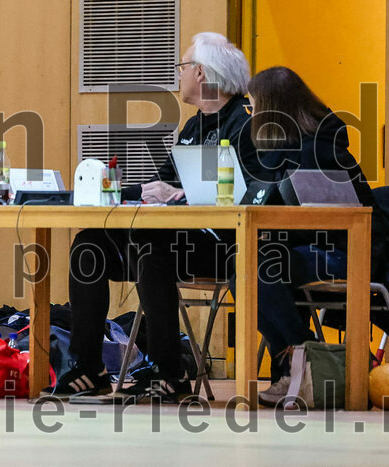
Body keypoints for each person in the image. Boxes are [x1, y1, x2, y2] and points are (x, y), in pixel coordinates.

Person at [54, 32, 266, 402]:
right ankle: (89, 368)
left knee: (152, 247)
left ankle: (171, 373)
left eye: (183, 67)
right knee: (89, 243)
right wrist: (112, 191)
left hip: (226, 247)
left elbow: (255, 194)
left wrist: (182, 197)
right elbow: (163, 185)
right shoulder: (192, 128)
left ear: (201, 73)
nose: (178, 75)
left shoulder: (246, 125)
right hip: (174, 240)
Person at [245, 66, 374, 404]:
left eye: (253, 106)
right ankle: (298, 363)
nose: (251, 114)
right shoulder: (285, 150)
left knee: (258, 270)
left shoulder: (322, 150)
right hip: (306, 250)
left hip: (346, 253)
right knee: (245, 270)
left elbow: (331, 219)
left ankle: (302, 364)